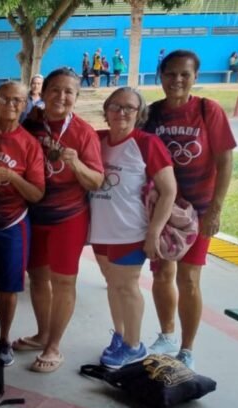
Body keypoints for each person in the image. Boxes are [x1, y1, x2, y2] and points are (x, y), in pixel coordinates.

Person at [145, 50, 236, 371]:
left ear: (195, 77)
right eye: (170, 74)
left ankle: (187, 348)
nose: (177, 80)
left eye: (185, 74)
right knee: (161, 274)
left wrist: (215, 210)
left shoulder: (208, 110)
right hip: (163, 211)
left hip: (198, 211)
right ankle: (166, 335)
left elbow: (225, 161)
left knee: (189, 279)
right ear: (161, 76)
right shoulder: (152, 114)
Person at [14, 67, 104, 373]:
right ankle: (42, 335)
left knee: (64, 281)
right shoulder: (30, 124)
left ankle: (54, 347)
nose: (61, 96)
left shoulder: (83, 132)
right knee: (38, 277)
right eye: (55, 89)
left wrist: (76, 163)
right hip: (33, 215)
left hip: (68, 217)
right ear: (43, 92)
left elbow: (97, 181)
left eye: (69, 92)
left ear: (76, 97)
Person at [90, 87, 177, 369]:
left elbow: (169, 191)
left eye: (129, 107)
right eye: (115, 106)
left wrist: (154, 232)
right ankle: (120, 335)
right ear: (106, 110)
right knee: (113, 285)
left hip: (130, 231)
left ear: (139, 114)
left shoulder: (147, 143)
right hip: (101, 230)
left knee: (127, 287)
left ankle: (134, 345)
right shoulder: (98, 140)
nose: (122, 112)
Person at [0, 81, 45, 367]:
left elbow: (37, 194)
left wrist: (11, 176)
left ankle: (4, 340)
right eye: (5, 99)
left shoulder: (29, 143)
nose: (11, 105)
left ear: (25, 104)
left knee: (7, 287)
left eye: (17, 100)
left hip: (11, 222)